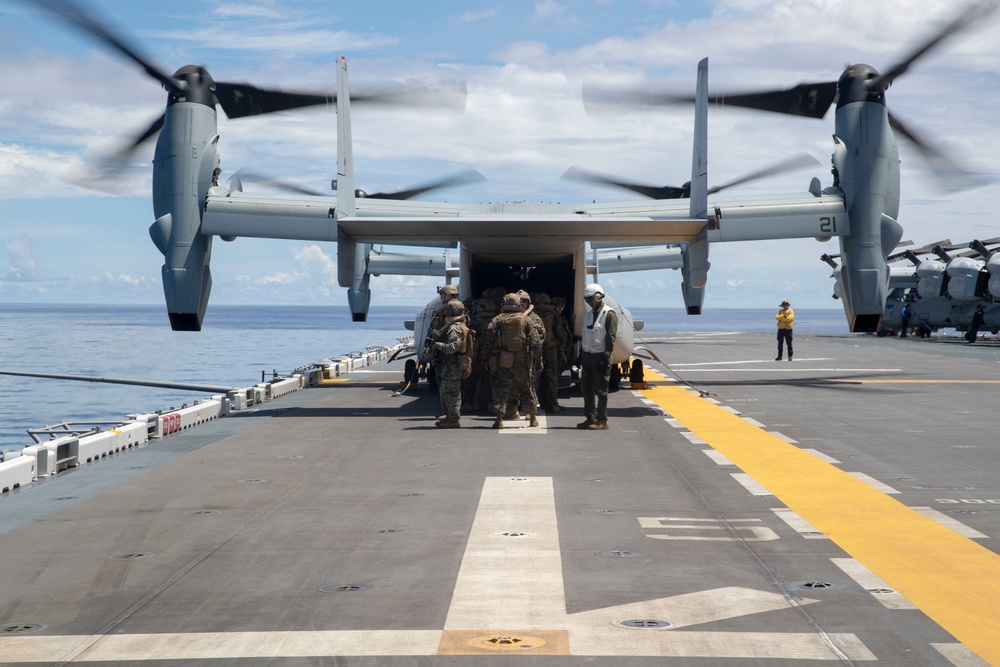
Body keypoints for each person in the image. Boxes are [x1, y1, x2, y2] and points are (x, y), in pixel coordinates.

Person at [483, 293, 543, 429]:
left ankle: (499, 420)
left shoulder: (497, 320)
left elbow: (488, 341)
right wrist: (539, 360)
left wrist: (485, 357)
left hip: (503, 361)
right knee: (526, 389)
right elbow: (536, 342)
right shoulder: (526, 320)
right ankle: (533, 419)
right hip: (522, 361)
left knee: (501, 389)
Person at [578, 283, 617, 431]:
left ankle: (602, 420)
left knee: (601, 390)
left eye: (590, 299)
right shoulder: (589, 314)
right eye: (587, 299)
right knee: (586, 388)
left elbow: (611, 337)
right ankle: (591, 418)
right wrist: (582, 354)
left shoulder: (609, 314)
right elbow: (586, 335)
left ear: (598, 297)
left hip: (600, 355)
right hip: (588, 356)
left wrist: (606, 357)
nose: (589, 302)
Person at [431, 300, 469, 429]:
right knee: (446, 391)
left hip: (452, 364)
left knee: (452, 393)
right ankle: (448, 415)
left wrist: (438, 345)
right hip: (450, 364)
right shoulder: (458, 325)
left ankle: (453, 419)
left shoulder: (454, 328)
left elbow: (453, 347)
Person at [534, 293, 569, 413]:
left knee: (534, 378)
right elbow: (560, 333)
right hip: (550, 350)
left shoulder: (530, 314)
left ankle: (532, 404)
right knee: (551, 378)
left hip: (535, 351)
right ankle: (552, 404)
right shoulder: (553, 314)